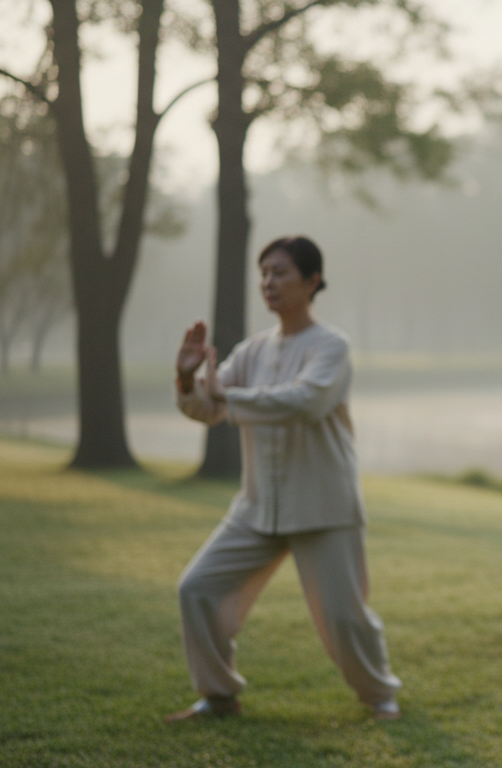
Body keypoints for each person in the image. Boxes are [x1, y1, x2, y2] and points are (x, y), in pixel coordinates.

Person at [166, 236, 403, 722]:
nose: (268, 283)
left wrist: (222, 395)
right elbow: (209, 407)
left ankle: (379, 695)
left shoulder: (331, 346)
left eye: (280, 273)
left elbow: (306, 401)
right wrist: (189, 380)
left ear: (312, 281)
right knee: (198, 588)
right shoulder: (251, 351)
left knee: (344, 618)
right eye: (264, 274)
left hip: (323, 505)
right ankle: (218, 695)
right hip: (257, 506)